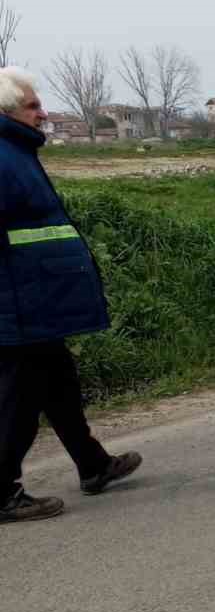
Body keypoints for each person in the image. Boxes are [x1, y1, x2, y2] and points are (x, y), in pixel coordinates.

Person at [0, 67, 141, 522]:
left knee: (58, 381)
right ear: (7, 112)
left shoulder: (16, 151)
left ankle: (93, 464)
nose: (43, 113)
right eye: (33, 106)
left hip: (34, 295)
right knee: (20, 397)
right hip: (16, 301)